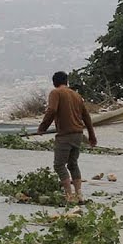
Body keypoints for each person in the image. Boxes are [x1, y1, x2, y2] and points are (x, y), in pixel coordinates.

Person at [36, 71, 98, 204]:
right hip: (78, 135)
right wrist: (92, 136)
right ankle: (79, 194)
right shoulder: (76, 95)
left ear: (54, 82)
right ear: (66, 81)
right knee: (73, 164)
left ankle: (69, 196)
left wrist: (42, 127)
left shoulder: (56, 93)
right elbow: (86, 116)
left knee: (59, 165)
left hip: (65, 135)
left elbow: (52, 110)